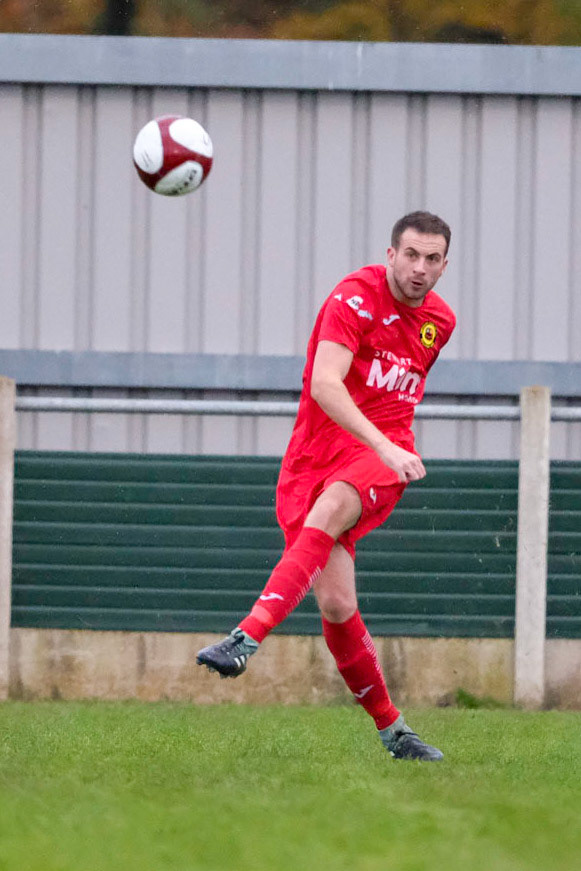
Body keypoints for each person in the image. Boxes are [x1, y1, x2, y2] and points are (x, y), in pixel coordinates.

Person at [197, 211, 456, 762]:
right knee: (337, 604)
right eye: (410, 255)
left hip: (382, 455)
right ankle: (396, 734)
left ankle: (245, 637)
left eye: (432, 259)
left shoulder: (441, 321)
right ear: (390, 255)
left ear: (443, 265)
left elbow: (391, 404)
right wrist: (377, 443)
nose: (420, 268)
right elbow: (324, 384)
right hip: (313, 457)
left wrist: (388, 448)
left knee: (337, 503)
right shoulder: (354, 299)